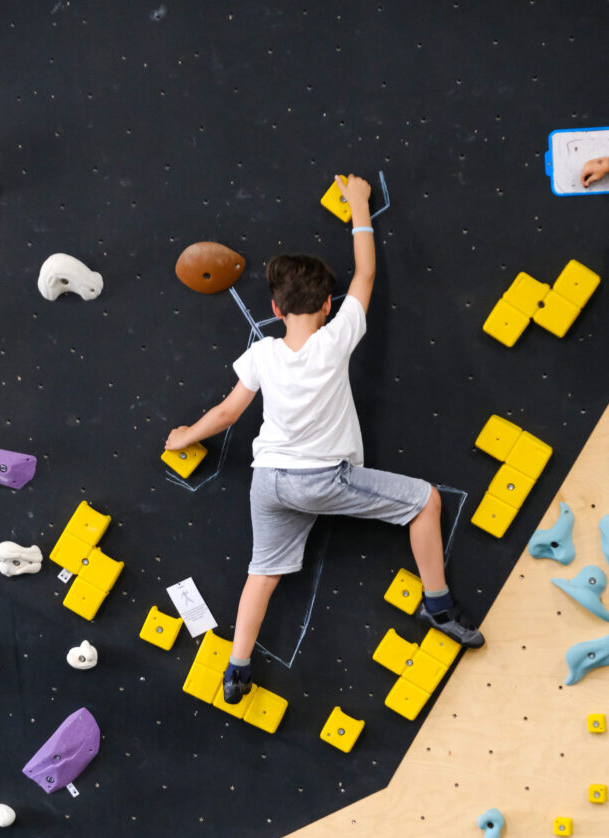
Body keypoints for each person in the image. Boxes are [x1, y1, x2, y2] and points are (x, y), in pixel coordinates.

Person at [165, 173, 484, 704]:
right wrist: (359, 203)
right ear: (328, 307)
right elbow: (366, 274)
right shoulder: (336, 339)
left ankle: (237, 666)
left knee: (262, 573)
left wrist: (183, 437)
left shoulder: (263, 353)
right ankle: (439, 604)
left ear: (273, 310)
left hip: (266, 480)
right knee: (425, 501)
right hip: (320, 479)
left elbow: (226, 414)